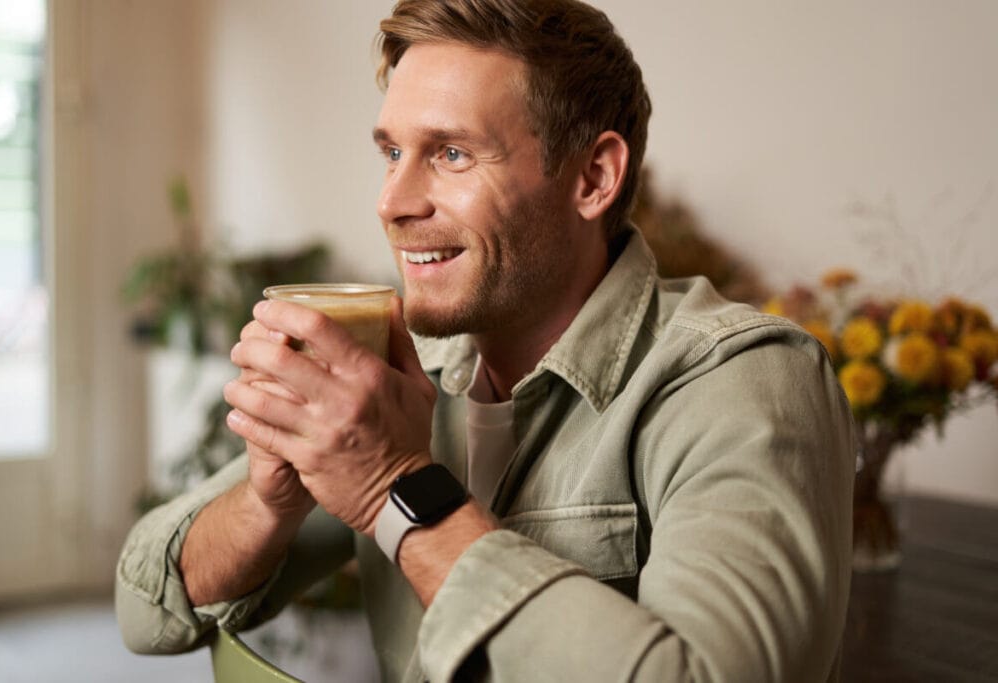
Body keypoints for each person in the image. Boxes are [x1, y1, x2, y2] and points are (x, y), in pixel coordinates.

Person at [116, 1, 855, 680]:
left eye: (452, 154)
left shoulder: (741, 381)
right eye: (392, 153)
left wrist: (396, 488)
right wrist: (267, 502)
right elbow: (145, 608)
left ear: (593, 177)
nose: (392, 202)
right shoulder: (404, 371)